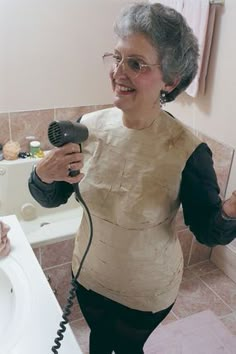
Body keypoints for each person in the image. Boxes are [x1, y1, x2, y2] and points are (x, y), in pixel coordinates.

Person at [28, 2, 236, 353]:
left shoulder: (188, 151)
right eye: (117, 57)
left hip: (144, 294)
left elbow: (207, 230)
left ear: (170, 80)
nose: (118, 72)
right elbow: (54, 197)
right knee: (98, 341)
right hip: (89, 277)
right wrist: (42, 175)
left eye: (136, 64)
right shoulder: (88, 127)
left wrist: (231, 209)